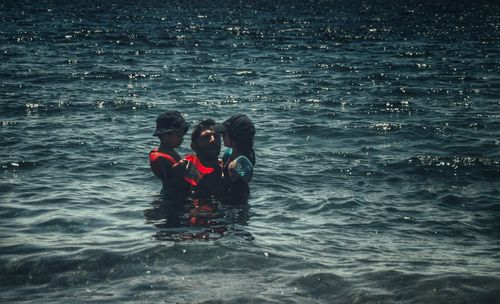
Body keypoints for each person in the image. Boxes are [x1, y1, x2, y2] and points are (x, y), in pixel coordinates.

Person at [176, 119, 224, 199]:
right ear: (193, 146)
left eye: (216, 137)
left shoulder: (227, 171)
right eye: (206, 137)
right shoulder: (184, 171)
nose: (213, 140)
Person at [214, 114, 255, 203]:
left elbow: (239, 187)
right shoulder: (232, 154)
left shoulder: (239, 162)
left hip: (234, 208)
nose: (222, 136)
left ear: (235, 135)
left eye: (224, 134)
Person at [149, 111, 189, 193]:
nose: (182, 139)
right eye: (178, 136)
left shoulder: (170, 151)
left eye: (182, 136)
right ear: (165, 135)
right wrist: (178, 168)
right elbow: (168, 180)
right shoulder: (159, 158)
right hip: (171, 198)